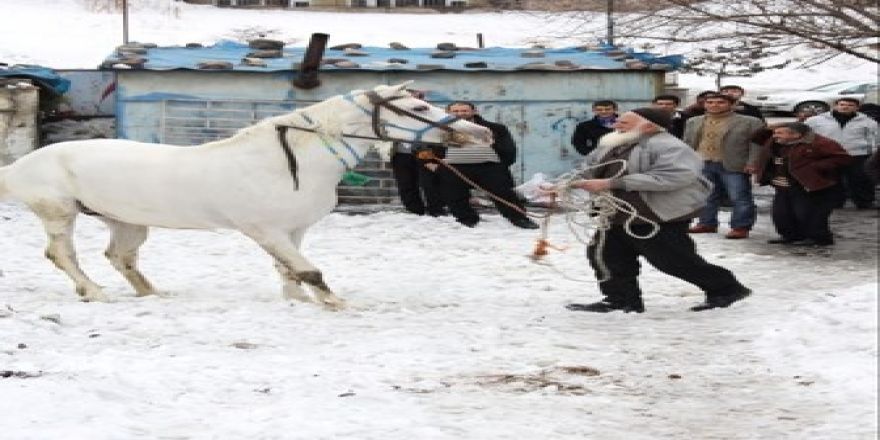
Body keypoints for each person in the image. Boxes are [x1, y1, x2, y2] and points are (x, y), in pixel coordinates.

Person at [562, 108, 751, 313]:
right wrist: (566, 185)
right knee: (605, 255)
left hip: (656, 214)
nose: (616, 125)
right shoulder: (613, 143)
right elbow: (588, 169)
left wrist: (614, 183)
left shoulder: (669, 146)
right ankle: (621, 300)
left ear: (649, 125)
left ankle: (727, 289)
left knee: (673, 260)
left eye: (624, 123)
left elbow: (675, 176)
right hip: (617, 213)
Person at [434, 101, 539, 229]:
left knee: (504, 195)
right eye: (455, 111)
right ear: (448, 112)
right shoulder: (439, 128)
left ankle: (519, 219)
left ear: (474, 111)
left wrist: (501, 166)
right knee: (455, 196)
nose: (460, 113)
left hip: (488, 167)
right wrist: (431, 163)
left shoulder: (495, 128)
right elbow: (424, 146)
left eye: (464, 110)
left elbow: (508, 149)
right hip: (454, 167)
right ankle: (467, 219)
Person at [755, 122, 852, 246]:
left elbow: (843, 159)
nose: (774, 136)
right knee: (781, 214)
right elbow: (755, 138)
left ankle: (818, 238)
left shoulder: (820, 143)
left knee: (807, 213)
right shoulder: (776, 142)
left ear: (796, 135)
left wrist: (813, 168)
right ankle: (790, 236)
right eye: (775, 133)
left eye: (779, 133)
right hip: (782, 184)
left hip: (808, 185)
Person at [683, 93, 765, 239]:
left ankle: (740, 227)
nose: (714, 105)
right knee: (706, 195)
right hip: (703, 162)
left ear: (732, 105)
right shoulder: (694, 121)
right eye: (710, 102)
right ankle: (706, 223)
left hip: (734, 164)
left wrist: (753, 162)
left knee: (739, 197)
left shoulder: (750, 122)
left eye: (720, 102)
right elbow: (688, 142)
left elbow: (757, 145)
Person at [805, 98, 879, 209]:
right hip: (829, 155)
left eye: (850, 105)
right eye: (842, 104)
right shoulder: (815, 121)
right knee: (832, 180)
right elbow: (807, 136)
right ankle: (834, 202)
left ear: (857, 108)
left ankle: (865, 202)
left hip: (857, 155)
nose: (845, 107)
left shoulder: (868, 122)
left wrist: (873, 152)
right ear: (835, 106)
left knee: (861, 179)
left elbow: (875, 138)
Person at [388, 89, 447, 217]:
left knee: (430, 183)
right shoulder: (393, 113)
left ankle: (437, 211)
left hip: (427, 153)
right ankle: (414, 211)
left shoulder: (433, 112)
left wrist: (438, 154)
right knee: (405, 183)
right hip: (400, 153)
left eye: (414, 97)